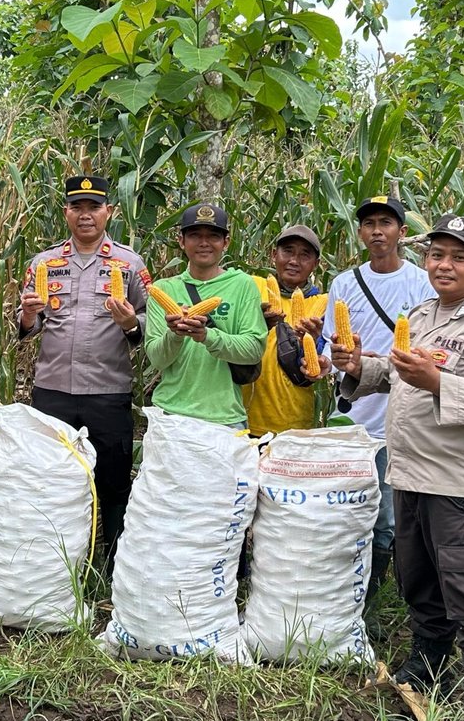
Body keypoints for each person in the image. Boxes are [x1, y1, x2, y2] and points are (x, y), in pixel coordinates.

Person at [333, 215, 464, 721]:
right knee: (419, 579)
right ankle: (429, 661)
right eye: (437, 255)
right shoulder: (419, 316)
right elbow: (398, 376)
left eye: (458, 257)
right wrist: (361, 367)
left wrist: (439, 381)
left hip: (455, 482)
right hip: (409, 473)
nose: (444, 265)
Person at [18, 175, 150, 563]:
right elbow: (29, 327)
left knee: (112, 481)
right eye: (77, 207)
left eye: (94, 207)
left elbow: (149, 321)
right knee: (54, 480)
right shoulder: (44, 263)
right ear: (66, 213)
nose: (86, 215)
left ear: (109, 211)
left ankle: (111, 565)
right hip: (53, 390)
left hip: (107, 391)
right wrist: (26, 316)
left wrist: (130, 323)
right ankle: (57, 561)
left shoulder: (129, 264)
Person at [324, 196, 435, 601]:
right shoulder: (344, 284)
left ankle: (372, 601)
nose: (376, 231)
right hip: (353, 416)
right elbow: (329, 347)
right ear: (360, 232)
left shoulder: (421, 283)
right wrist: (339, 363)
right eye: (368, 223)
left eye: (385, 223)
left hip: (399, 417)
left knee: (387, 519)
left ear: (402, 233)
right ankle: (342, 595)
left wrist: (380, 361)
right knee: (347, 510)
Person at [143, 203, 266, 427]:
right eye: (195, 235)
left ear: (226, 242)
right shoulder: (164, 289)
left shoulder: (242, 285)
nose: (204, 243)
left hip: (224, 417)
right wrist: (176, 335)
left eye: (213, 236)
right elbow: (157, 359)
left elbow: (254, 350)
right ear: (181, 241)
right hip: (171, 414)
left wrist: (206, 336)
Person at [243, 223, 329, 438]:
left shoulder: (323, 303)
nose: (294, 261)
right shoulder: (251, 286)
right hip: (244, 420)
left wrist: (312, 341)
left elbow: (319, 365)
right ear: (274, 254)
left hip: (294, 424)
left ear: (316, 264)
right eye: (288, 251)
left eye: (304, 255)